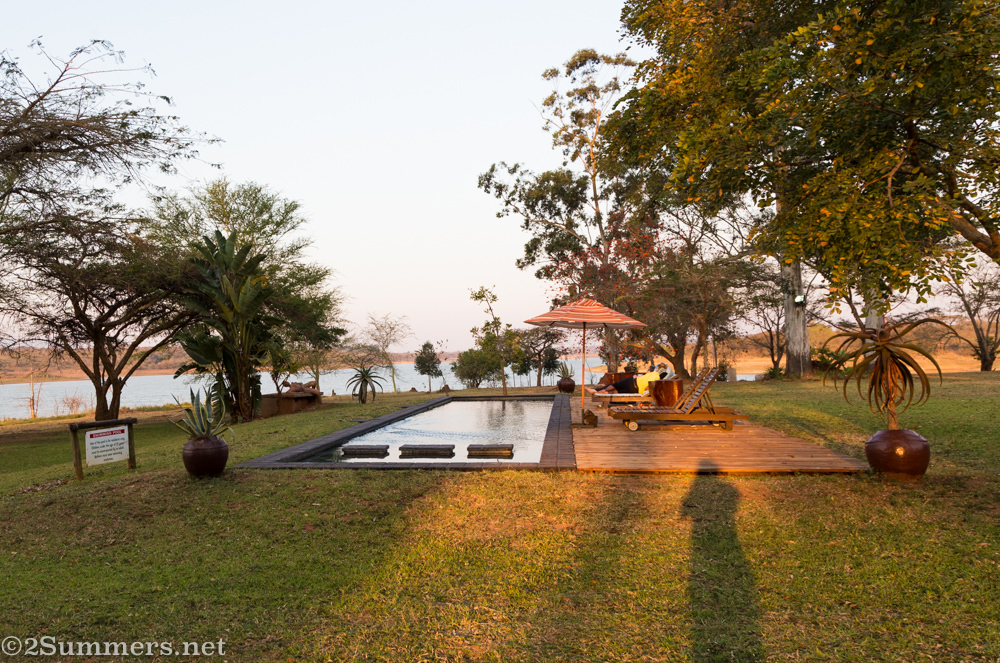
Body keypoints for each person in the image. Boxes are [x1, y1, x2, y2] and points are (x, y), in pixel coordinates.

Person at [585, 365, 663, 395]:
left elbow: (648, 387)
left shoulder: (655, 375)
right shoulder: (657, 379)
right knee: (617, 391)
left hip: (631, 382)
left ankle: (595, 390)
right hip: (635, 390)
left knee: (615, 385)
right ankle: (599, 392)